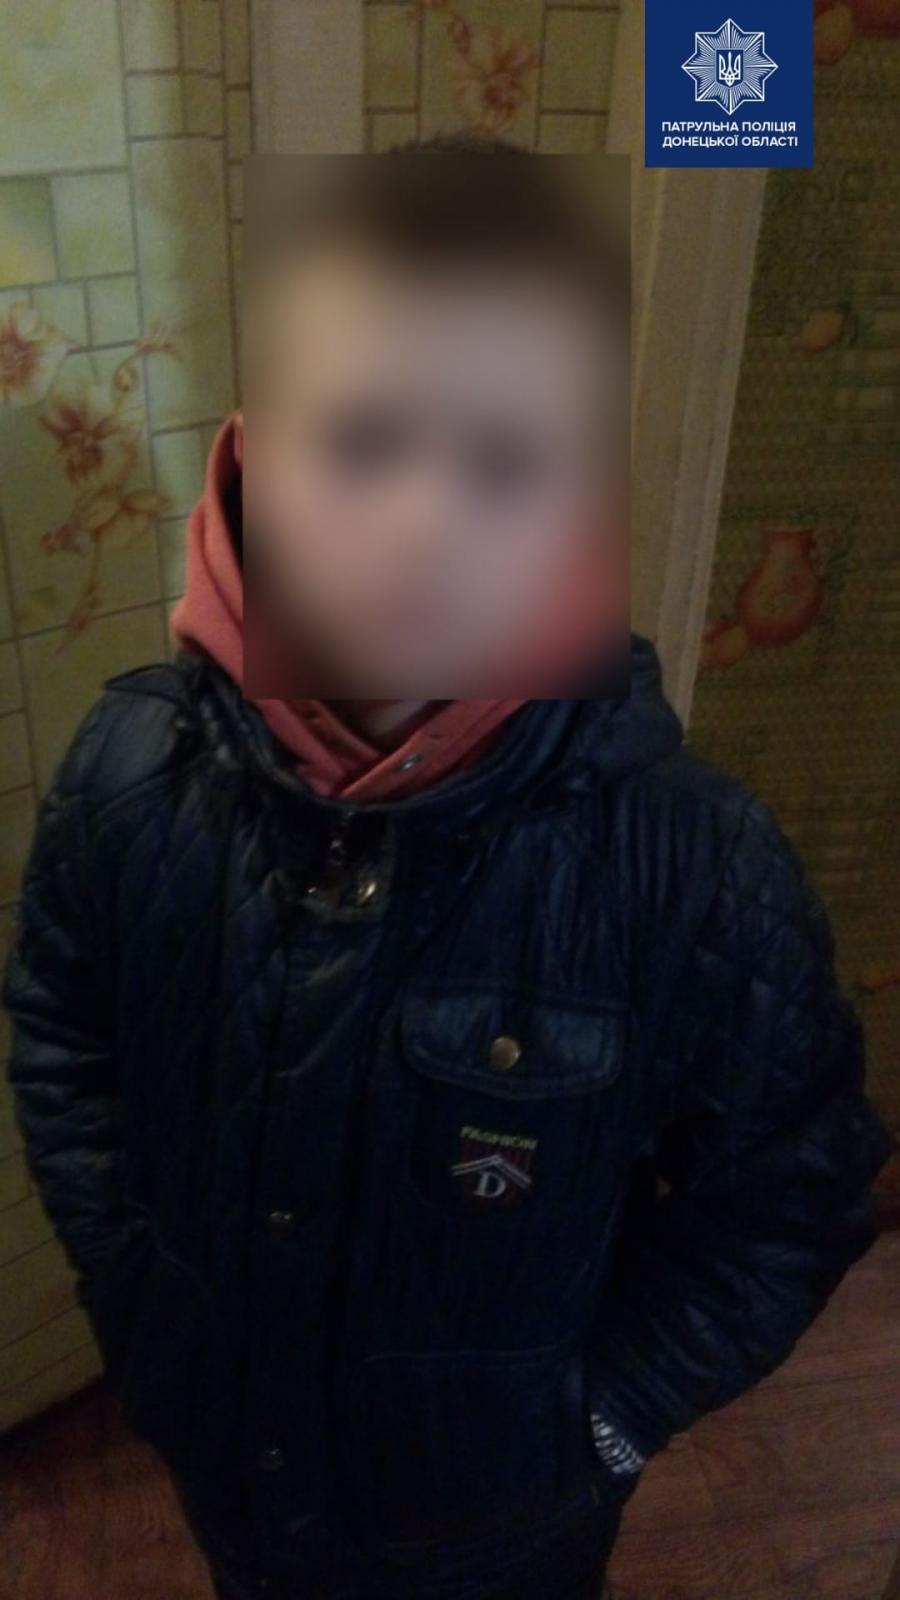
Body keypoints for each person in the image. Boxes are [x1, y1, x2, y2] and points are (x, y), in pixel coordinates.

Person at [2, 139, 891, 1600]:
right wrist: (139, 1305)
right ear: (249, 455)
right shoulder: (127, 771)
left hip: (503, 1531)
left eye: (504, 459)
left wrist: (601, 1424)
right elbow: (66, 1041)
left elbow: (791, 1190)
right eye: (362, 441)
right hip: (230, 1469)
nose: (426, 519)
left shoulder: (694, 863)